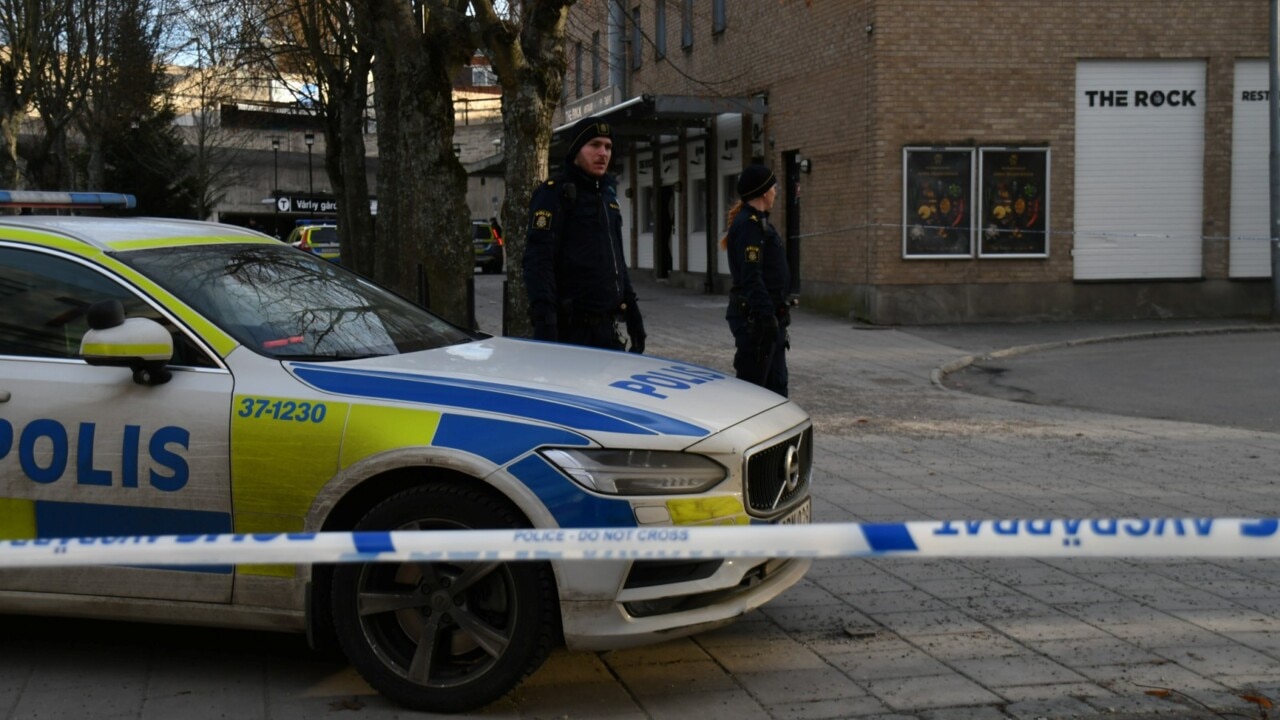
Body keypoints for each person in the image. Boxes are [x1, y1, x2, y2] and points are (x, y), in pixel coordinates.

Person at [523, 115, 645, 353]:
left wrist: (633, 315)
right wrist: (545, 323)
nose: (603, 153)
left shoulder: (608, 197)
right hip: (571, 331)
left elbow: (617, 261)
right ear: (577, 150)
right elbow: (538, 261)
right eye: (594, 145)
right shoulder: (555, 194)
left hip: (607, 330)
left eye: (608, 147)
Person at [723, 164, 793, 396]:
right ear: (764, 192)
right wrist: (766, 315)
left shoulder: (759, 222)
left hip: (769, 320)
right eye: (774, 187)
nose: (776, 191)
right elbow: (751, 277)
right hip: (757, 323)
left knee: (776, 387)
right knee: (754, 393)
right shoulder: (748, 225)